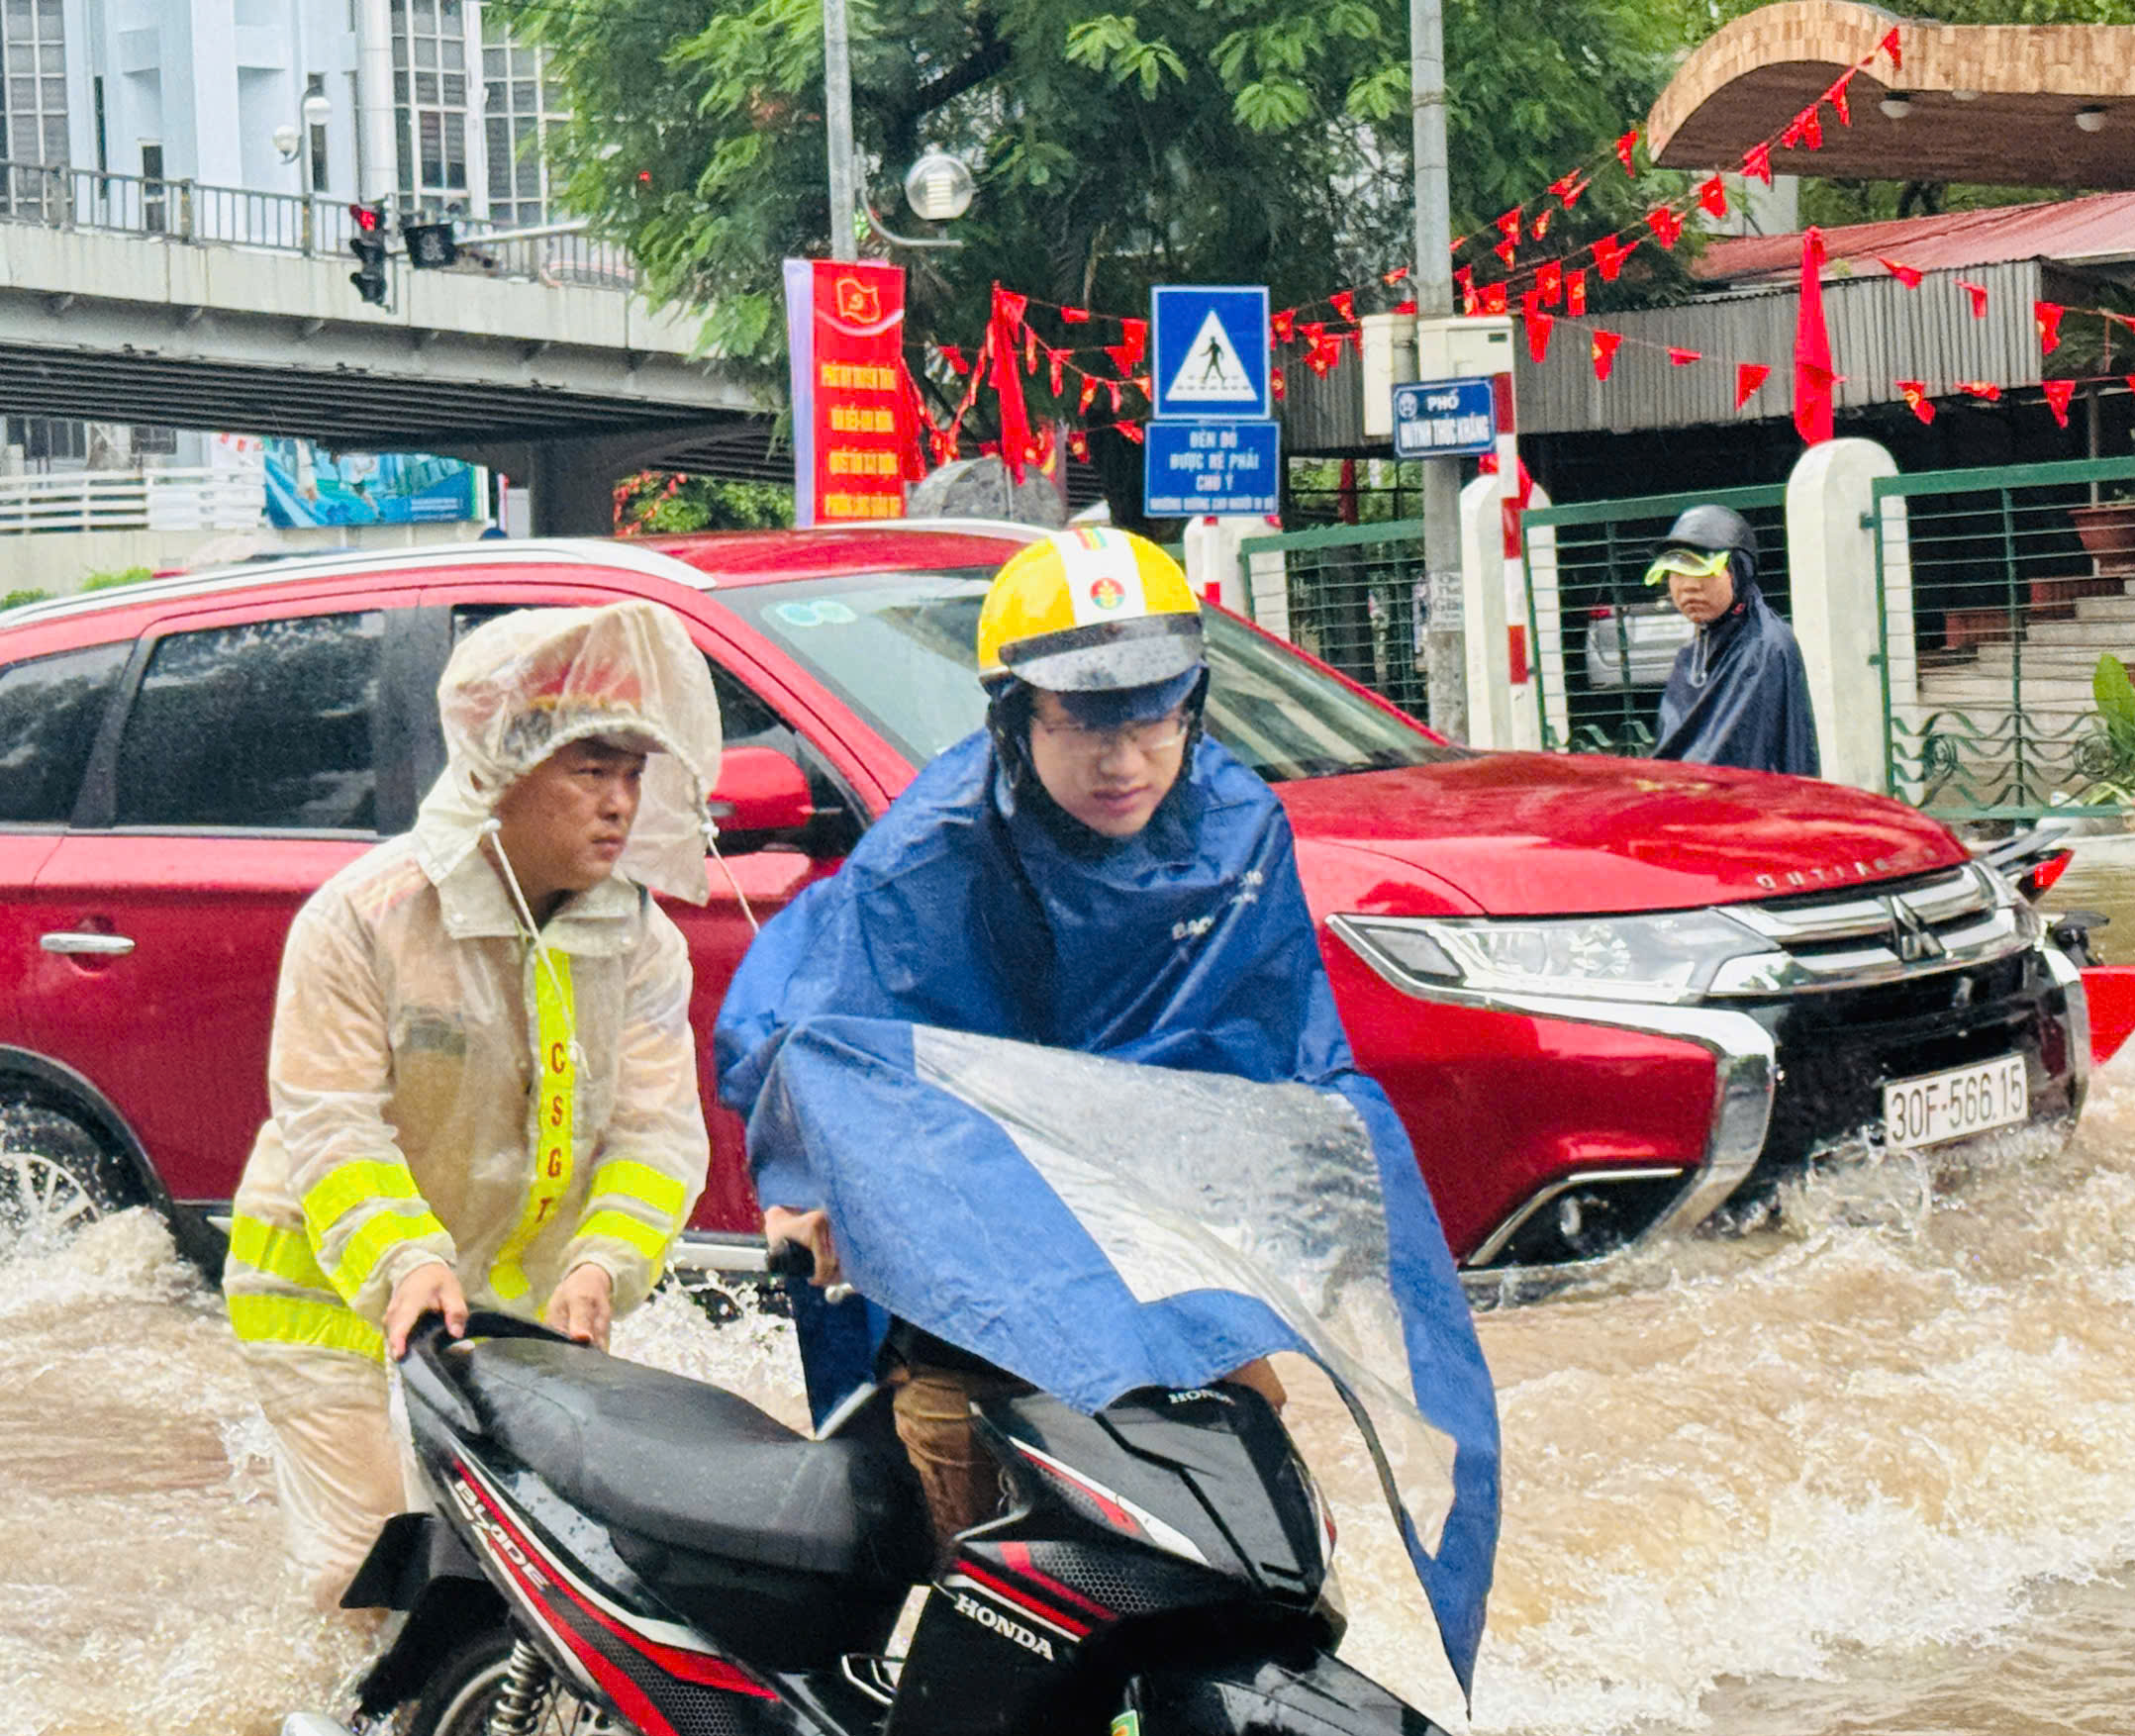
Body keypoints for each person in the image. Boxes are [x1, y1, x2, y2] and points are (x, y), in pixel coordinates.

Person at [713, 527, 1477, 1552]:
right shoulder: (928, 856)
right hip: (980, 1269)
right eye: (1082, 726)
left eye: (1153, 720)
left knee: (1269, 1538)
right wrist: (812, 1191)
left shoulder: (1238, 829)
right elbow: (842, 1043)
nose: (1124, 761)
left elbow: (1279, 1049)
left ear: (1191, 706)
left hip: (1159, 1256)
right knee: (968, 1546)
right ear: (1013, 717)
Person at [221, 602, 719, 1605]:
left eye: (633, 775)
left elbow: (654, 1133)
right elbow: (332, 1122)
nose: (619, 805)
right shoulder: (367, 918)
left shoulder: (640, 945)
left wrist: (601, 1264)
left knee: (514, 1587)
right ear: (500, 771)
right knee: (365, 1584)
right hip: (327, 1300)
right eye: (589, 772)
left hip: (504, 1311)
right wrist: (406, 1262)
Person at [1646, 503, 1820, 776]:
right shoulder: (1690, 655)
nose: (1689, 586)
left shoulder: (1765, 645)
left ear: (1737, 571)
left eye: (1703, 571)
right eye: (1677, 573)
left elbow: (1739, 753)